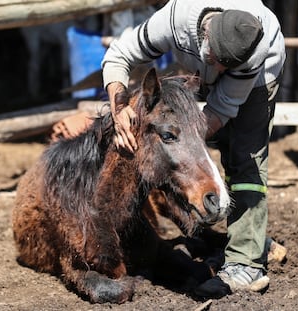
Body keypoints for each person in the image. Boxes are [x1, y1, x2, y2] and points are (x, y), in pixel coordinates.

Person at [101, 0, 286, 299]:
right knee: (178, 153)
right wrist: (119, 108)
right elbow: (119, 55)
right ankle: (243, 234)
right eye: (217, 62)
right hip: (196, 61)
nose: (220, 71)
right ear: (206, 37)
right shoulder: (173, 20)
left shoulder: (254, 53)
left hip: (258, 79)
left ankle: (246, 262)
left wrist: (183, 150)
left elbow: (220, 110)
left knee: (244, 159)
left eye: (227, 67)